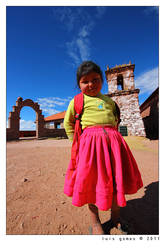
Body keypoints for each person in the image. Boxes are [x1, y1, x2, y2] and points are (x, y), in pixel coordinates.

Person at [63, 61, 143, 235]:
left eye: (95, 79)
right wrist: (78, 143)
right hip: (90, 151)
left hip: (113, 149)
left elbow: (114, 122)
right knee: (90, 184)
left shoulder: (110, 102)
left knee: (115, 183)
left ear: (102, 81)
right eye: (85, 81)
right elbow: (68, 123)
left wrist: (112, 139)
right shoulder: (77, 102)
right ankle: (96, 222)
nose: (91, 84)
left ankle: (116, 218)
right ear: (79, 84)